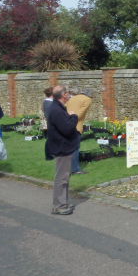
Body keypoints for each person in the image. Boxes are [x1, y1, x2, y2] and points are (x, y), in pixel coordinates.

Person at [45, 85, 80, 215]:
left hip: (62, 146)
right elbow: (67, 128)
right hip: (62, 147)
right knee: (62, 177)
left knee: (64, 176)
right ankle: (59, 205)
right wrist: (74, 116)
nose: (69, 95)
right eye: (67, 93)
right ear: (63, 95)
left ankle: (62, 202)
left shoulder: (57, 107)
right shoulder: (57, 110)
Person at [65, 87, 93, 175]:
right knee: (75, 148)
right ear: (89, 94)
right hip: (75, 126)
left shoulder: (72, 98)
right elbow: (80, 114)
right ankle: (75, 169)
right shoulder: (87, 99)